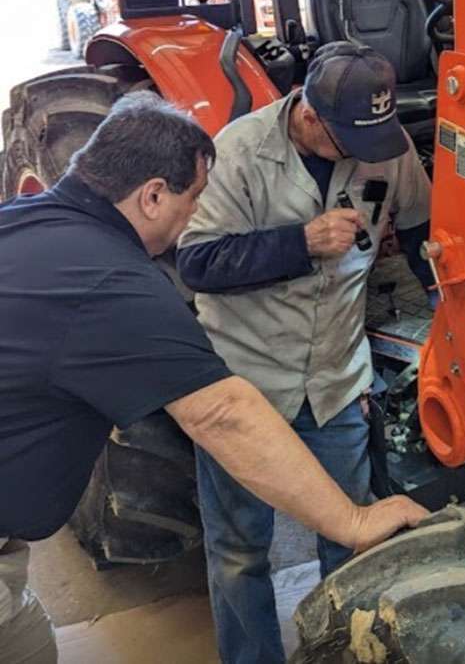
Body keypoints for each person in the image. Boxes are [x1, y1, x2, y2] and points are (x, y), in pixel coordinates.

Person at [0, 93, 426, 664]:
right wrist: (352, 519)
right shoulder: (116, 283)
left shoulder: (20, 220)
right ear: (153, 195)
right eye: (193, 199)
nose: (193, 217)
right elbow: (219, 412)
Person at [176, 42, 435, 664]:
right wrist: (299, 243)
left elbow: (427, 233)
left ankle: (341, 653)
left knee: (350, 536)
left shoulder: (385, 146)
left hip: (335, 381)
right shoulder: (236, 153)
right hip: (247, 384)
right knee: (240, 552)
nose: (361, 153)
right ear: (310, 115)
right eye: (346, 137)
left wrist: (451, 309)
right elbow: (197, 263)